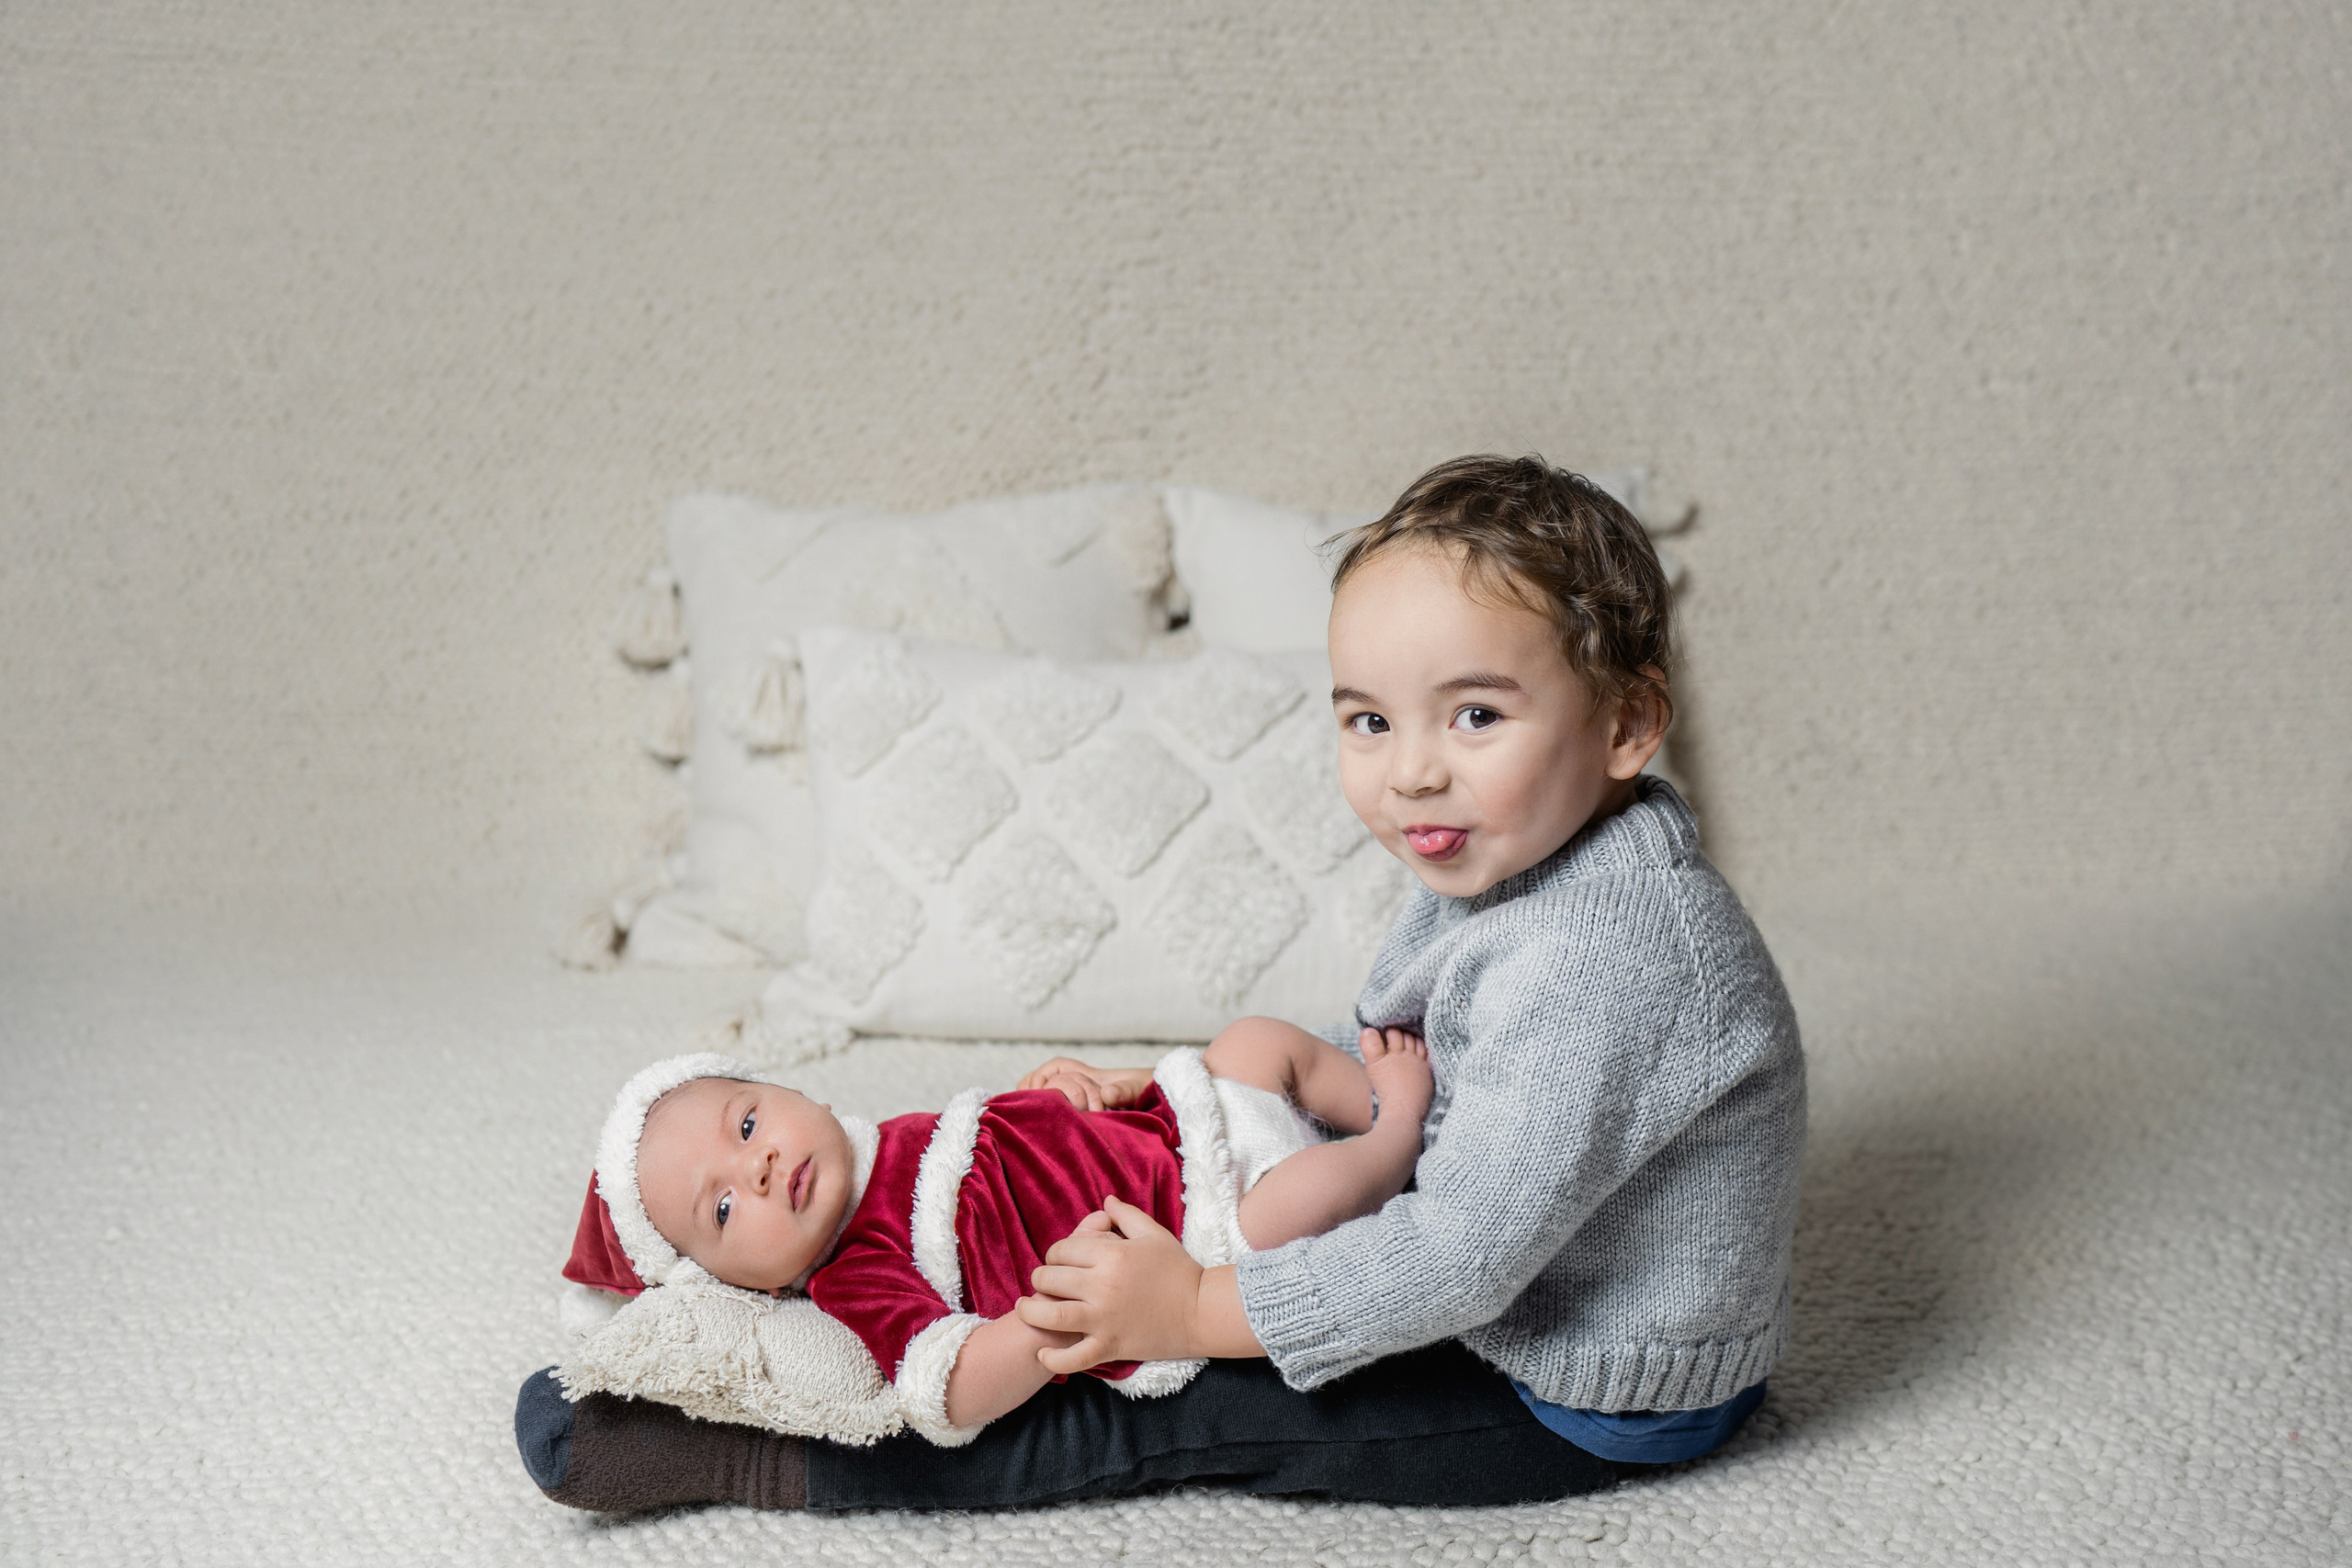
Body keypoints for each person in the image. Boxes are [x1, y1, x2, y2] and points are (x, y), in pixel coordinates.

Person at [517, 454, 1805, 1512]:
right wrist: (1176, 1103)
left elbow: (1459, 1258)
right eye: (1369, 719)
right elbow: (1426, 1055)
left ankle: (767, 1457)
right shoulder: (1527, 855)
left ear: (1630, 724)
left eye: (1474, 714)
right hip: (1499, 1253)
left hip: (1577, 1380)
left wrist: (1191, 1300)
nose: (1411, 771)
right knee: (1174, 1213)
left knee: (1152, 1387)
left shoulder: (1608, 957)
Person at [557, 1019, 1433, 1440]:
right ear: (747, 1285)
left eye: (746, 1124)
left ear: (792, 1091)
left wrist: (1066, 1093)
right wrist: (1040, 1320)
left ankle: (1396, 1106)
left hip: (1169, 1126)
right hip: (1183, 1233)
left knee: (1253, 1043)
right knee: (1292, 1208)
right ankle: (1398, 1141)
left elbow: (1010, 1157)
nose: (752, 1169)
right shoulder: (852, 1269)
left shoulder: (881, 1141)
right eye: (721, 1211)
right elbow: (950, 1385)